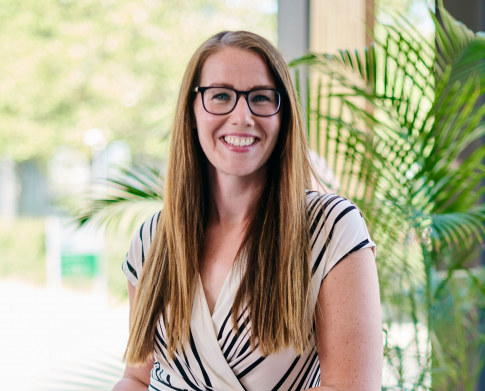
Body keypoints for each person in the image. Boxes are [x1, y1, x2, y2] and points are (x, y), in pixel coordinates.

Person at [113, 30, 382, 391]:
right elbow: (136, 378)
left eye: (260, 98)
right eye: (221, 96)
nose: (242, 116)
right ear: (192, 112)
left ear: (283, 115)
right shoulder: (152, 239)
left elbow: (352, 388)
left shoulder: (331, 228)